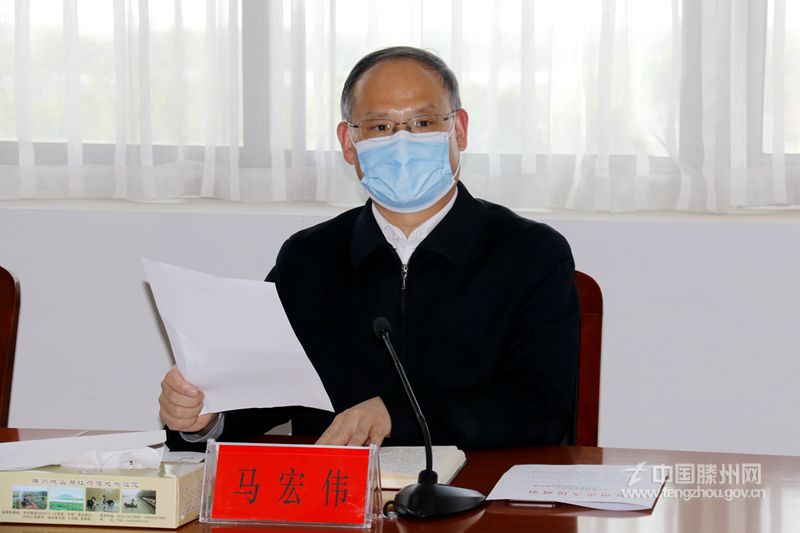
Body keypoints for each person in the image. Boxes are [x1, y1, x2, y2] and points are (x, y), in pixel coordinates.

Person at [160, 46, 579, 451]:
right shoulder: (308, 258)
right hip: (337, 490)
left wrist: (398, 414)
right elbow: (262, 392)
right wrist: (205, 418)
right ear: (348, 142)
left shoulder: (531, 253)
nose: (402, 142)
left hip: (481, 486)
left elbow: (543, 407)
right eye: (380, 127)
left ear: (460, 129)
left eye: (422, 123)